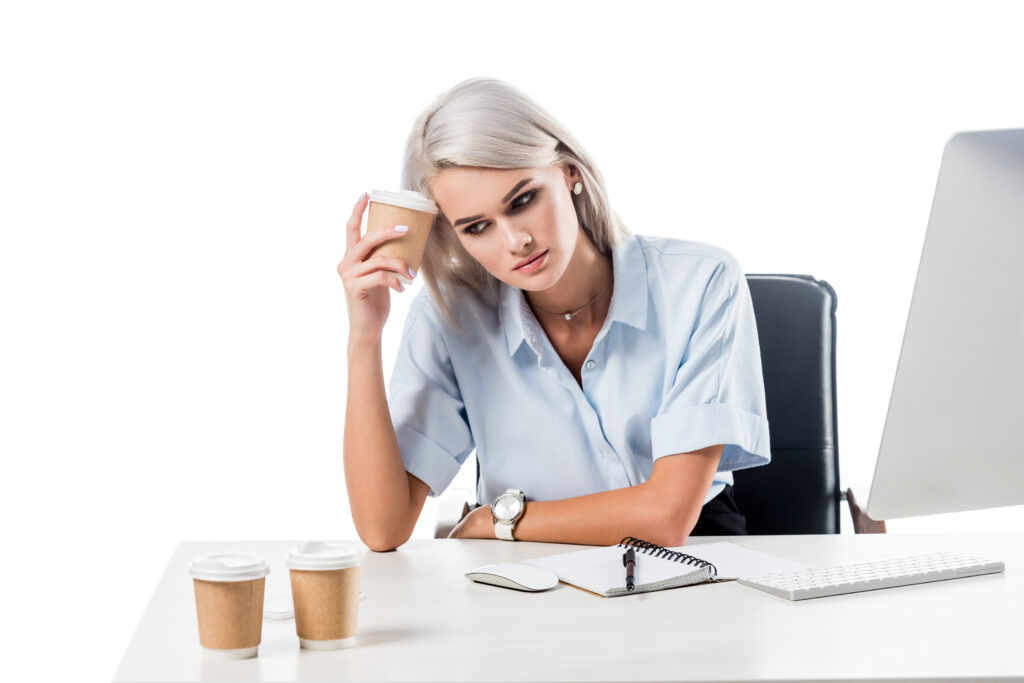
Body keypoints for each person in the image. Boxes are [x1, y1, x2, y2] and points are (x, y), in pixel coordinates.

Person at [338, 77, 770, 553]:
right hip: (529, 568)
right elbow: (383, 528)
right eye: (477, 227)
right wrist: (365, 338)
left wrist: (496, 522)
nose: (514, 241)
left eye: (523, 200)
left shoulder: (701, 282)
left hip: (690, 556)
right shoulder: (449, 319)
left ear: (568, 172)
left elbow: (666, 519)